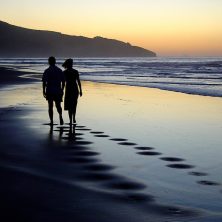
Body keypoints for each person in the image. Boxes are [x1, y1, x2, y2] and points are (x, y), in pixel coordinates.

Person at [42, 56, 65, 126]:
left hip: (50, 90)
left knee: (50, 106)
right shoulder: (59, 70)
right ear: (55, 62)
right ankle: (60, 116)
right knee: (58, 105)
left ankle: (51, 121)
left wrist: (43, 91)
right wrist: (62, 89)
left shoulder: (47, 71)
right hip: (58, 90)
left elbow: (44, 82)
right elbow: (63, 81)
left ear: (49, 62)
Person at [62, 58, 82, 125]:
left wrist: (81, 90)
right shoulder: (73, 71)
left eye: (72, 63)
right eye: (71, 63)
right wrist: (80, 90)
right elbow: (63, 82)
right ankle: (72, 119)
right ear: (69, 64)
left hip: (70, 89)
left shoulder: (65, 72)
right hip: (73, 89)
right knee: (72, 105)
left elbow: (78, 81)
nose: (72, 64)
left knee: (72, 105)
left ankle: (72, 118)